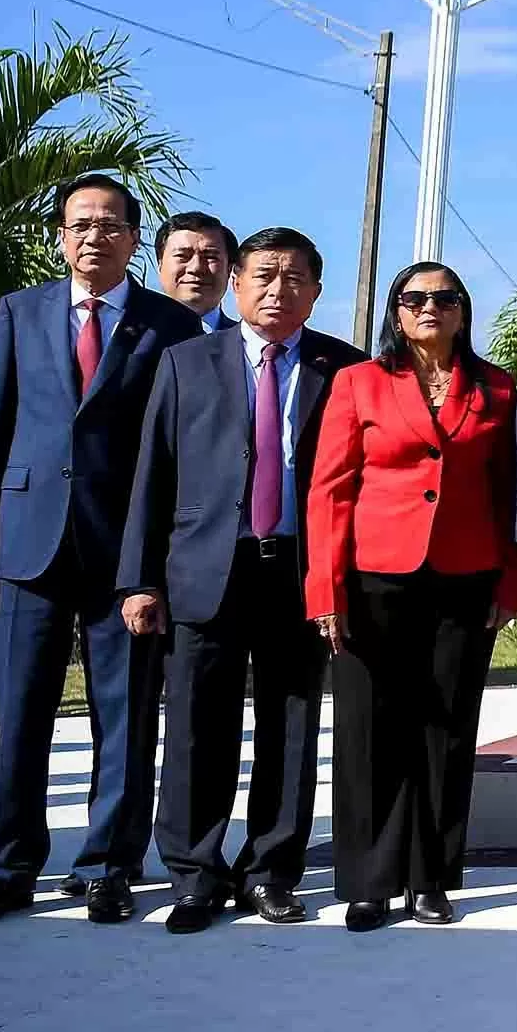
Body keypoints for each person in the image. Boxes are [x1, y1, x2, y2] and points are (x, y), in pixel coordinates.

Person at [0, 174, 204, 927]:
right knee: (20, 714)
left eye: (110, 224)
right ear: (61, 235)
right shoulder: (18, 312)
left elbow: (174, 452)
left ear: (133, 236)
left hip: (124, 550)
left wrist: (156, 561)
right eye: (79, 223)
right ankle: (9, 865)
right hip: (27, 543)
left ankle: (107, 865)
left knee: (123, 718)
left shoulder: (170, 326)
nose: (94, 235)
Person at [121, 227, 363, 932]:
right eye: (262, 274)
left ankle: (271, 869)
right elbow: (152, 476)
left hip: (297, 569)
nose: (275, 290)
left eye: (293, 278)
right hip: (205, 568)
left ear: (315, 294)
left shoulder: (341, 369)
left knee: (290, 724)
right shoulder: (185, 362)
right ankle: (196, 873)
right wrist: (140, 579)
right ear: (235, 281)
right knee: (198, 725)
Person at [307, 262, 517, 932]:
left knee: (447, 730)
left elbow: (512, 491)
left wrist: (511, 580)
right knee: (370, 729)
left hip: (465, 576)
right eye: (414, 297)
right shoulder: (359, 382)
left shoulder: (497, 389)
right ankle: (370, 881)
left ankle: (433, 877)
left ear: (463, 310)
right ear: (396, 312)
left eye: (444, 297)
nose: (429, 307)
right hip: (373, 577)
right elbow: (329, 489)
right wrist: (326, 590)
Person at [154, 212, 237, 333]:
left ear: (229, 269)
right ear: (160, 264)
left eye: (210, 257)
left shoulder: (251, 343)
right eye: (182, 256)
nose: (196, 268)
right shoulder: (132, 339)